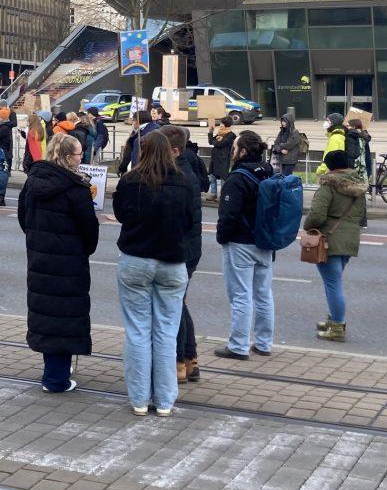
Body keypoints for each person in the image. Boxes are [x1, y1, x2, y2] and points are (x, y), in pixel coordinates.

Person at [111, 132, 196, 415]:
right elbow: (189, 221)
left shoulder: (130, 180)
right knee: (166, 332)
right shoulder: (183, 182)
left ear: (142, 151)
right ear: (171, 151)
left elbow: (121, 214)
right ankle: (165, 400)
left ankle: (139, 399)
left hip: (136, 259)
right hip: (172, 262)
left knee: (137, 331)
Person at [18, 132, 98, 393]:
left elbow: (24, 219)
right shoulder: (77, 189)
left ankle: (55, 368)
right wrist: (81, 249)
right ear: (67, 157)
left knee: (47, 313)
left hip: (40, 257)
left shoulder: (33, 182)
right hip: (69, 262)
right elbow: (90, 231)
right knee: (64, 316)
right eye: (79, 154)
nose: (81, 158)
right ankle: (55, 379)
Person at [215, 130, 276, 359]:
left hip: (240, 242)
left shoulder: (238, 178)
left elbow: (228, 215)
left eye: (234, 148)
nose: (232, 152)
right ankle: (264, 344)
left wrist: (222, 237)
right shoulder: (267, 171)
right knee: (263, 294)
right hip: (265, 241)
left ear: (242, 151)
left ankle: (238, 346)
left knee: (241, 295)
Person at [303, 149, 366, 342]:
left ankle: (337, 327)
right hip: (350, 239)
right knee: (334, 281)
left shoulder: (328, 185)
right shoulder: (358, 186)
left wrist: (307, 226)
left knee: (333, 284)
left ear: (330, 166)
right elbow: (360, 214)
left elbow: (317, 215)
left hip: (329, 239)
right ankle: (334, 319)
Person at [161, 125, 205, 382]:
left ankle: (178, 362)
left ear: (175, 150)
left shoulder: (179, 176)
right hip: (189, 248)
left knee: (174, 305)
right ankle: (190, 360)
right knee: (180, 303)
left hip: (181, 249)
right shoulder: (186, 169)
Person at [0, 107, 17, 207]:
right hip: (1, 152)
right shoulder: (3, 126)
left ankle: (0, 198)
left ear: (1, 117)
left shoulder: (4, 127)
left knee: (1, 176)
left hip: (2, 153)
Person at [207, 116, 237, 202]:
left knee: (223, 177)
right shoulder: (219, 133)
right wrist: (211, 132)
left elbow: (220, 144)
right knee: (212, 176)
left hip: (223, 159)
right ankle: (213, 194)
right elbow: (211, 141)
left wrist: (216, 142)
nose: (220, 125)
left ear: (226, 125)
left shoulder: (230, 135)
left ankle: (222, 195)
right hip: (215, 158)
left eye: (222, 123)